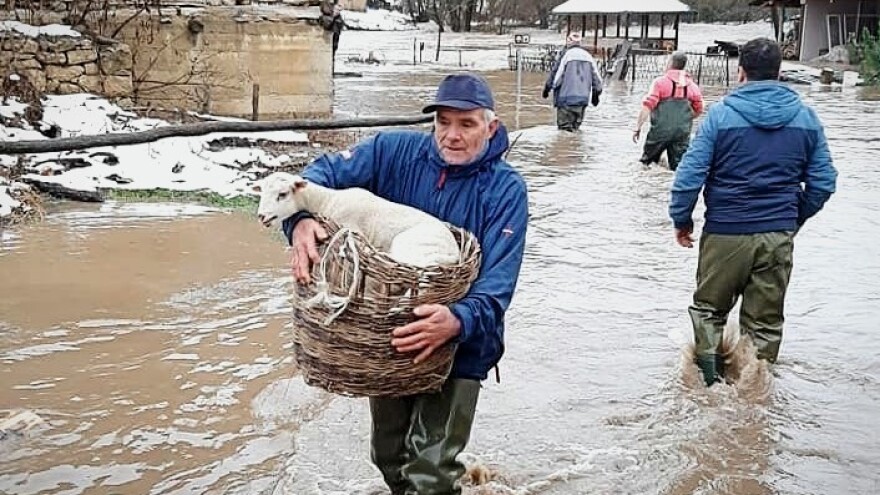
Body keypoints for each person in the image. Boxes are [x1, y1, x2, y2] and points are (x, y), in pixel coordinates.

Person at [281, 73, 529, 494]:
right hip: (391, 339)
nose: (451, 136)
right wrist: (298, 220)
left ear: (491, 126)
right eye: (443, 122)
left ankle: (440, 479)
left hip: (460, 346)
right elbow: (315, 178)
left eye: (467, 124)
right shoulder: (391, 152)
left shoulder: (506, 190)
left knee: (429, 472)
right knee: (388, 454)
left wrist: (456, 320)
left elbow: (498, 284)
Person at [669, 38, 837, 386]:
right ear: (779, 73)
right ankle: (753, 402)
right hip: (777, 237)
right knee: (764, 326)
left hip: (725, 232)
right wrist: (791, 219)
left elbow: (688, 177)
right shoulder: (806, 117)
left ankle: (706, 391)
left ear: (740, 71)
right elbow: (823, 182)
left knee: (710, 313)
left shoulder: (720, 115)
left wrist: (682, 220)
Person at [633, 51, 704, 171]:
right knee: (678, 168)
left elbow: (647, 106)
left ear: (670, 63)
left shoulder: (660, 83)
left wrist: (638, 127)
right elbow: (699, 109)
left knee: (646, 164)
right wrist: (684, 120)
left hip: (659, 132)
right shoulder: (692, 86)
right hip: (682, 133)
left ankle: (648, 186)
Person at [541, 33, 603, 132]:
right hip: (582, 101)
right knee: (575, 131)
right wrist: (596, 95)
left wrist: (548, 88)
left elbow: (557, 77)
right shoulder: (588, 56)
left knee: (564, 131)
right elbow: (598, 80)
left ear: (568, 42)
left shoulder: (566, 55)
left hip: (566, 100)